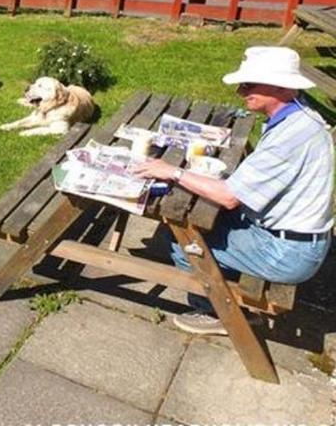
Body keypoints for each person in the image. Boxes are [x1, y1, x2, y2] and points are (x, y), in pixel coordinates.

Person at [133, 46, 333, 335]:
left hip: (287, 252)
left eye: (249, 84)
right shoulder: (299, 116)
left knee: (183, 242)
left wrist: (172, 171)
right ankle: (225, 286)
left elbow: (228, 197)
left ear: (280, 85)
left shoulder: (291, 137)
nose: (241, 91)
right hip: (297, 237)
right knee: (198, 221)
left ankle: (220, 314)